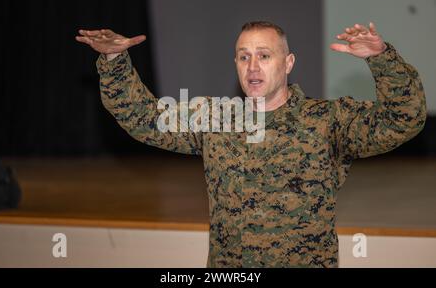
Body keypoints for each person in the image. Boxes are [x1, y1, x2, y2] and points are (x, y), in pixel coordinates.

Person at [76, 21, 426, 267]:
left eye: (264, 55)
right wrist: (113, 60)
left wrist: (382, 60)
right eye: (244, 56)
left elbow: (403, 119)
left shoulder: (326, 120)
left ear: (288, 63)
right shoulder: (215, 118)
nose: (253, 66)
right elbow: (143, 119)